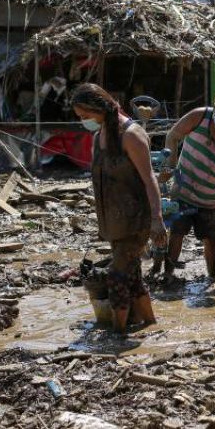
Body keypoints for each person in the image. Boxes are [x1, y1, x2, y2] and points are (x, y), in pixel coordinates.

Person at [72, 84, 164, 334]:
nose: (84, 122)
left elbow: (149, 179)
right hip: (113, 222)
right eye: (80, 118)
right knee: (133, 277)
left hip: (135, 220)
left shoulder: (131, 134)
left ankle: (117, 332)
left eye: (85, 116)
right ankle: (150, 324)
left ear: (99, 109)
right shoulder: (98, 135)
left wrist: (157, 219)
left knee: (117, 277)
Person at [158, 85, 215, 281]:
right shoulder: (199, 117)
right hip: (182, 189)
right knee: (177, 234)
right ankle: (168, 275)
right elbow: (172, 137)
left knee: (211, 240)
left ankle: (212, 279)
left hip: (210, 198)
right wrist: (170, 166)